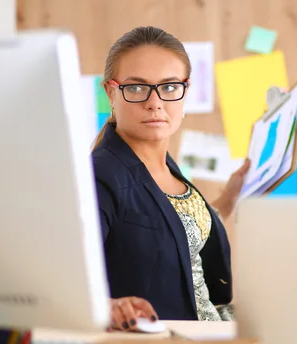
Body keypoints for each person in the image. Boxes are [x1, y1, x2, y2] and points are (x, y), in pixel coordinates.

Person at [91, 26, 250, 331]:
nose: (155, 102)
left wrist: (230, 198)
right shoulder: (101, 176)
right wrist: (105, 306)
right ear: (111, 92)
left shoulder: (165, 165)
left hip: (212, 328)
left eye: (169, 86)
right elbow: (64, 278)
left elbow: (176, 232)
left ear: (184, 91)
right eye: (136, 88)